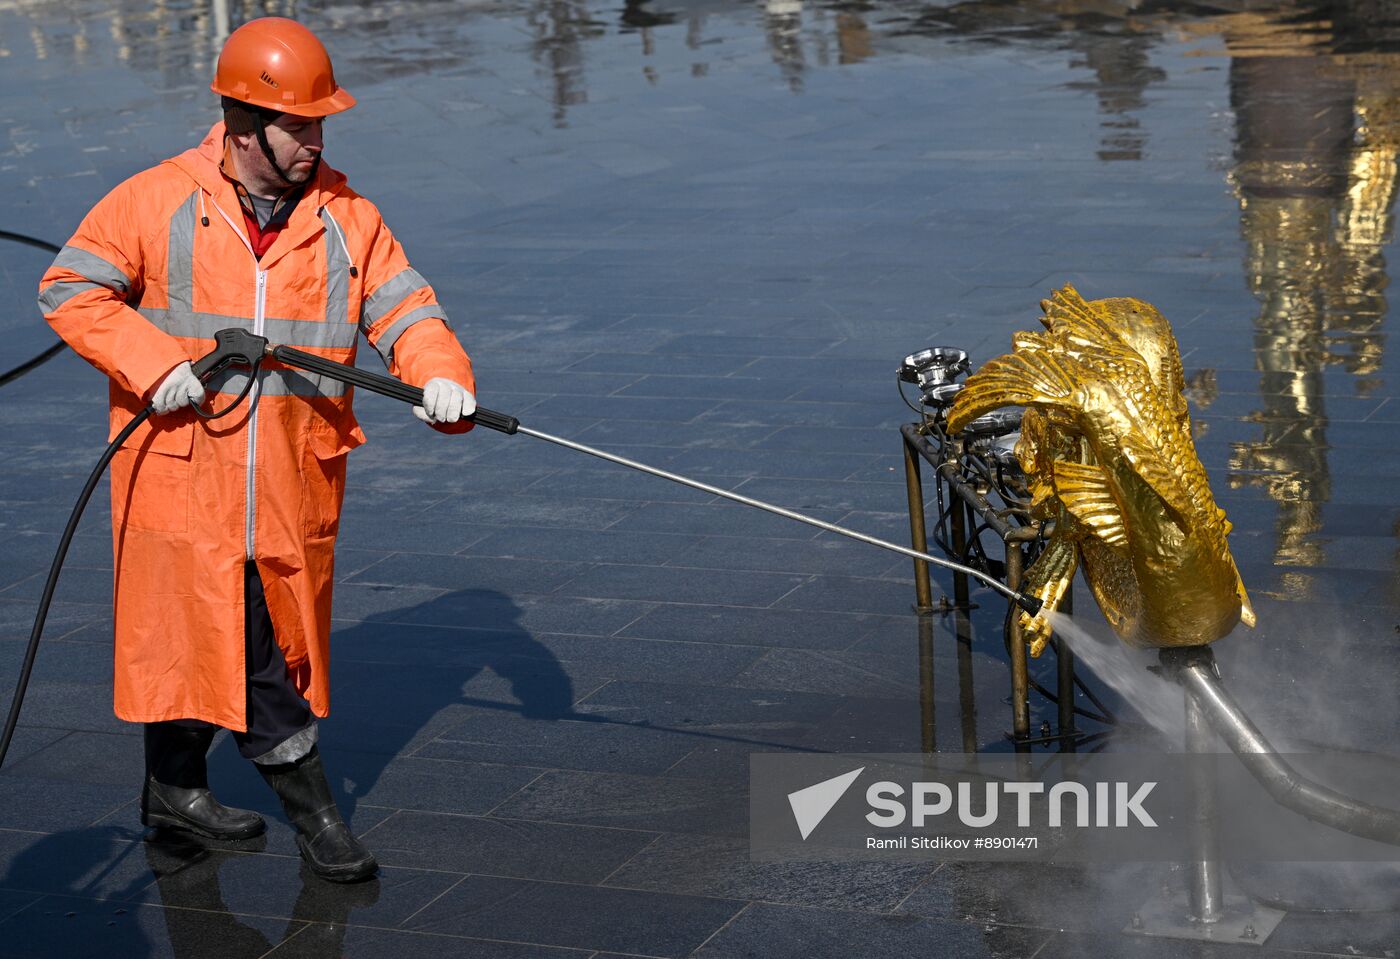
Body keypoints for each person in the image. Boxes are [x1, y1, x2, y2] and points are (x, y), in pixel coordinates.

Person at [36, 17, 476, 883]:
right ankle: (319, 820)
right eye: (298, 127)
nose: (315, 142)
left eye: (321, 125)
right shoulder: (156, 200)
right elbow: (70, 287)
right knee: (248, 647)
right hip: (180, 474)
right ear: (242, 127)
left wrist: (441, 374)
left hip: (287, 473)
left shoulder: (348, 218)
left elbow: (406, 311)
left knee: (202, 636)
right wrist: (153, 360)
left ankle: (172, 792)